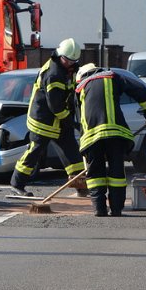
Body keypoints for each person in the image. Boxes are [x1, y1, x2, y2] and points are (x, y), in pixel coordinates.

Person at [76, 63, 146, 217]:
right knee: (116, 172)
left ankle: (99, 209)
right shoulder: (113, 77)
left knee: (95, 174)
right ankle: (117, 209)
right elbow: (141, 91)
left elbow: (81, 119)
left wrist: (84, 149)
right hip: (115, 135)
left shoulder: (80, 88)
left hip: (91, 137)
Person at [10, 38, 86, 197]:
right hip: (43, 121)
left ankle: (81, 186)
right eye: (67, 61)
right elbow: (56, 106)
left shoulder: (68, 69)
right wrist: (72, 123)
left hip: (59, 121)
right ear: (60, 55)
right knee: (34, 152)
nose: (70, 64)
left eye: (73, 61)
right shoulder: (54, 74)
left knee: (72, 153)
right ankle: (17, 184)